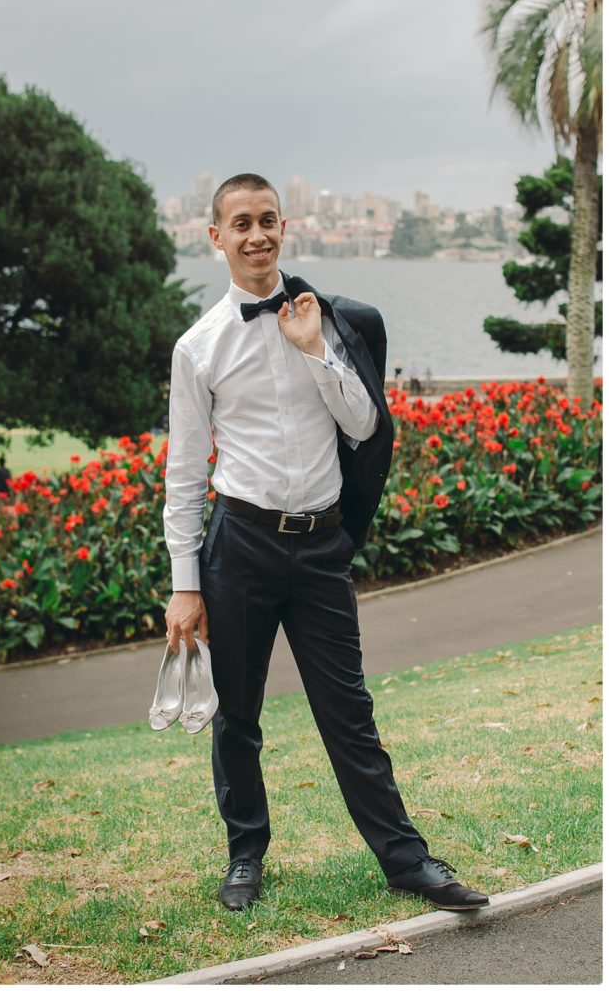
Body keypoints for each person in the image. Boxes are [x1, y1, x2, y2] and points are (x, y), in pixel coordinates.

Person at [163, 174, 488, 913]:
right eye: (240, 223)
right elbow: (183, 474)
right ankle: (245, 855)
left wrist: (311, 349)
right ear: (214, 236)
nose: (256, 235)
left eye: (268, 221)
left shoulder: (329, 322)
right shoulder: (197, 346)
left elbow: (365, 427)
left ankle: (407, 862)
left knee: (349, 712)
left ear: (286, 228)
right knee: (236, 715)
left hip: (319, 550)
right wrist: (186, 584)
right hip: (239, 545)